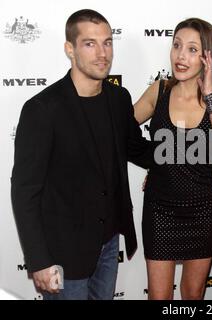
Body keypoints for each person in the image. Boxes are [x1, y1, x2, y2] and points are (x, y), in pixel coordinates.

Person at [11, 9, 152, 300]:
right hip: (63, 253)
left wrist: (196, 152)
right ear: (70, 49)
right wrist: (38, 260)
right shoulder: (42, 109)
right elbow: (25, 191)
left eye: (108, 42)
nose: (103, 53)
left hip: (109, 243)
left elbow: (138, 149)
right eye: (90, 43)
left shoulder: (118, 98)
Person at [133, 18, 212, 300]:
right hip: (159, 211)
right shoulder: (159, 91)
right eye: (177, 46)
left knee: (193, 294)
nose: (181, 56)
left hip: (203, 212)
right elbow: (123, 130)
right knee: (159, 297)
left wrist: (209, 94)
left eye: (192, 49)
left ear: (208, 57)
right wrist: (155, 160)